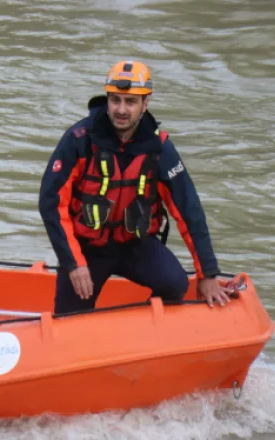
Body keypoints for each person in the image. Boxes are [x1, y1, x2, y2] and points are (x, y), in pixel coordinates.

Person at [38, 60, 235, 314]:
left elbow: (188, 209)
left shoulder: (160, 148)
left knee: (175, 285)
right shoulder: (79, 141)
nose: (121, 109)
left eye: (130, 102)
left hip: (135, 246)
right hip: (87, 251)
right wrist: (74, 264)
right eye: (115, 100)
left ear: (145, 104)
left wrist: (207, 274)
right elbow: (51, 203)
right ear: (107, 99)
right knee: (68, 319)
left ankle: (140, 334)